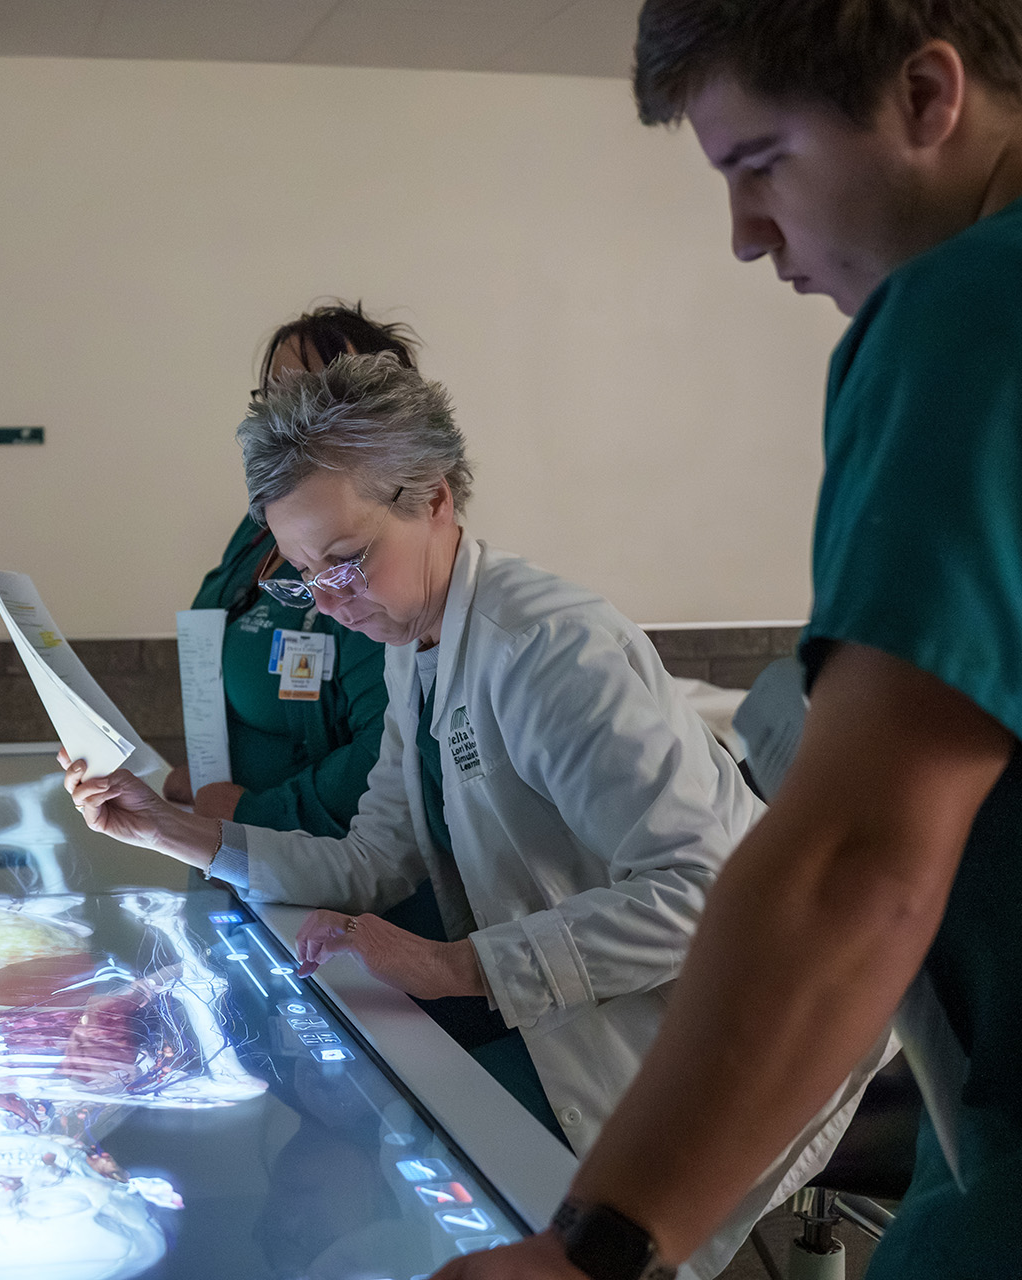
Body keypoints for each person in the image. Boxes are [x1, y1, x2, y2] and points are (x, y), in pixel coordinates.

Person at [62, 353, 879, 1276]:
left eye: (347, 561)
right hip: (580, 1018)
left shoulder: (546, 651)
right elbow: (378, 853)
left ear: (438, 499)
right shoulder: (420, 638)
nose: (332, 603)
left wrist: (459, 965)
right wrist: (175, 832)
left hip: (717, 1041)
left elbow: (703, 894)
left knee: (420, 1209)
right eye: (303, 578)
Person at [442, 4, 1022, 1278]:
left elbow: (852, 862)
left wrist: (593, 1248)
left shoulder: (970, 315)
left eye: (758, 167)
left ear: (930, 98)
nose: (748, 236)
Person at [169, 302, 404, 838]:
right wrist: (209, 778)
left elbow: (385, 751)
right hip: (233, 839)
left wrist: (256, 813)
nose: (282, 410)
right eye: (273, 390)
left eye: (307, 389)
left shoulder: (378, 556)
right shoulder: (257, 529)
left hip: (326, 858)